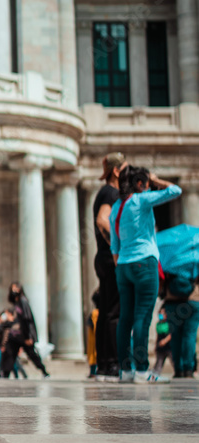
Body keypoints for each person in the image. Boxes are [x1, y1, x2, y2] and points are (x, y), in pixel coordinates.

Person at [110, 166, 181, 382]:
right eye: (145, 182)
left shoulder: (116, 207)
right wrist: (157, 179)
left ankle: (125, 370)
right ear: (140, 184)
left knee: (125, 319)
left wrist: (121, 265)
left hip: (122, 265)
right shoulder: (141, 199)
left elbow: (114, 245)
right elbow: (175, 191)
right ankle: (142, 370)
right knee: (142, 316)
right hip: (144, 263)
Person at [93, 152, 127, 379]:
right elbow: (102, 219)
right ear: (116, 171)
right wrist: (118, 247)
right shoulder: (112, 192)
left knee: (106, 311)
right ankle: (113, 364)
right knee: (114, 312)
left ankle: (104, 365)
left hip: (102, 257)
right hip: (109, 257)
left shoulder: (103, 192)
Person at [7, 283, 49, 377]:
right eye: (12, 289)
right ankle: (4, 374)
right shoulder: (16, 303)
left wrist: (29, 337)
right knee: (10, 354)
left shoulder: (23, 301)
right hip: (16, 336)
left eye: (15, 289)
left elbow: (27, 319)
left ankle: (44, 372)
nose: (13, 291)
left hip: (24, 335)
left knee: (32, 354)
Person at [164, 281, 199, 379]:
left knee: (175, 336)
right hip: (193, 298)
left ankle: (178, 369)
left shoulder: (169, 264)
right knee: (190, 335)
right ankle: (188, 369)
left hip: (172, 297)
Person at [0, 308, 25, 379]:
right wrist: (0, 323)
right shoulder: (4, 325)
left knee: (14, 363)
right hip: (4, 347)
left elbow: (16, 337)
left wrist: (20, 347)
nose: (5, 315)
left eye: (6, 313)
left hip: (11, 347)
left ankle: (17, 376)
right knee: (5, 363)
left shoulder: (15, 324)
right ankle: (3, 375)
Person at [153, 308, 173, 375]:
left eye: (162, 313)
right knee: (159, 363)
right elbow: (158, 336)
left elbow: (171, 334)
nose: (161, 315)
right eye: (160, 313)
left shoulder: (169, 323)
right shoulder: (158, 324)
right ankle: (155, 375)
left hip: (169, 346)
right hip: (160, 347)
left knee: (173, 361)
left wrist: (165, 341)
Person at [86, 290, 99, 379]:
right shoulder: (97, 313)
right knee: (94, 355)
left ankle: (93, 372)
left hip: (93, 340)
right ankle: (93, 372)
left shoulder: (93, 313)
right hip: (95, 339)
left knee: (92, 356)